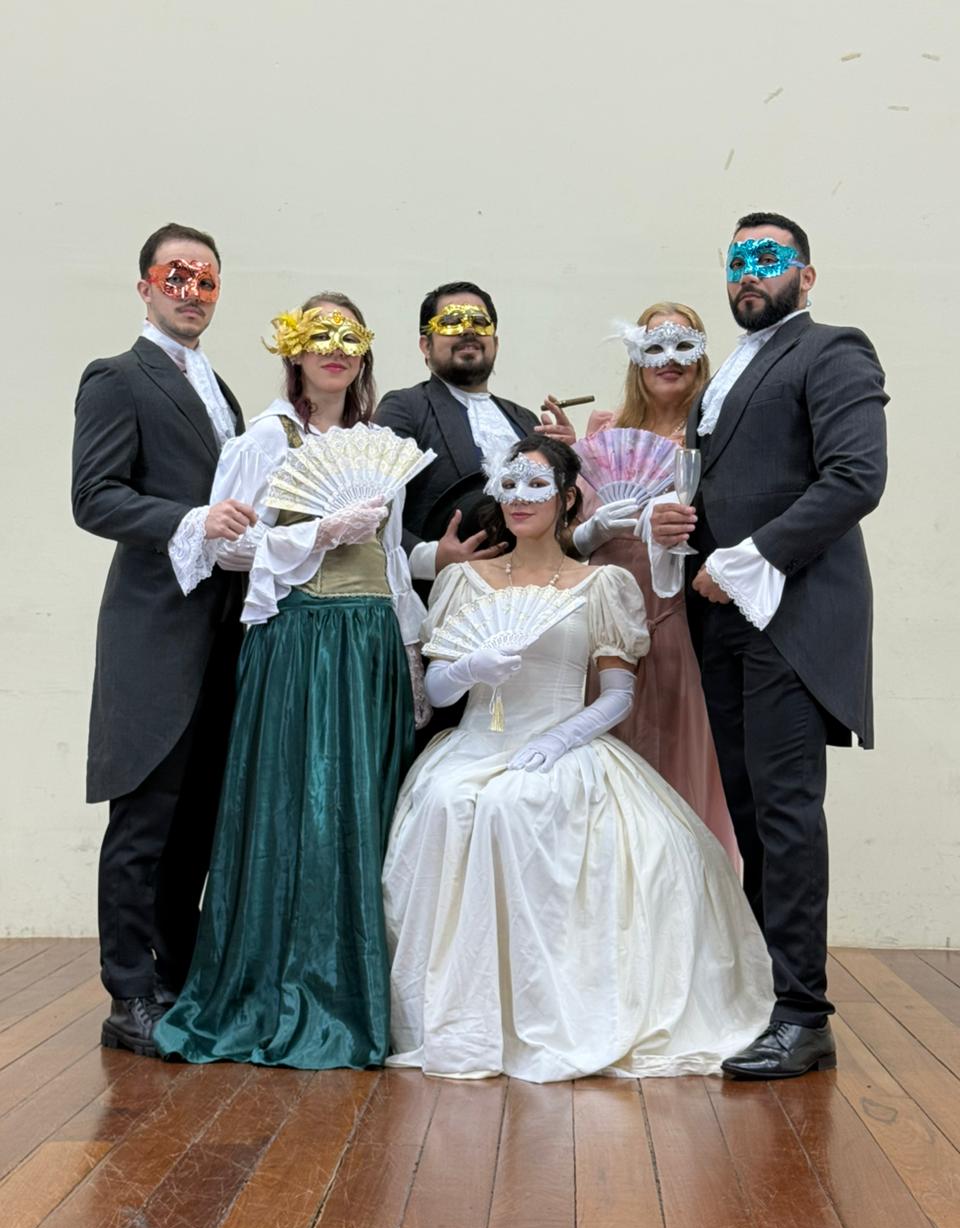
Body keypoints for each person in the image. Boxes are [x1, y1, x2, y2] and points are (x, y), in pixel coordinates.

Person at [382, 436, 773, 1082]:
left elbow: (618, 694)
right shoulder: (462, 580)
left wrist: (558, 741)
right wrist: (472, 667)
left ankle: (547, 1006)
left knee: (517, 805)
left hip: (561, 740)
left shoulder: (601, 585)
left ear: (567, 499)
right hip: (474, 742)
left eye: (536, 485)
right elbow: (441, 689)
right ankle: (460, 1015)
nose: (519, 499)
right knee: (448, 803)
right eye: (509, 484)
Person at [154, 293, 425, 1069]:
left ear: (364, 353)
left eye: (348, 336)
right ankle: (289, 986)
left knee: (365, 811)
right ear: (295, 351)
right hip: (301, 642)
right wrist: (317, 532)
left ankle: (367, 991)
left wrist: (411, 652)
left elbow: (392, 559)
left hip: (371, 643)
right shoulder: (265, 440)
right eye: (319, 335)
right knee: (300, 808)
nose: (334, 349)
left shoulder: (380, 447)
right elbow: (224, 549)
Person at [649, 212, 888, 1079]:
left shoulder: (832, 350)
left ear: (805, 276)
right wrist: (678, 525)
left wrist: (747, 558)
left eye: (768, 257)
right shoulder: (729, 373)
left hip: (790, 614)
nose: (749, 273)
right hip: (722, 619)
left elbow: (856, 477)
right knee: (750, 811)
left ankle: (803, 1016)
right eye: (736, 260)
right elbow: (725, 485)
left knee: (786, 815)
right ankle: (765, 996)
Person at [72, 222, 253, 1057]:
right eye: (176, 276)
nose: (191, 292)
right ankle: (128, 995)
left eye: (205, 280)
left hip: (223, 633)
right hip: (153, 632)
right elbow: (95, 497)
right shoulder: (117, 377)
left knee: (198, 823)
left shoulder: (224, 390)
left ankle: (176, 982)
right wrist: (193, 519)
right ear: (145, 286)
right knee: (143, 821)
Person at [567, 303, 737, 864]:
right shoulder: (605, 433)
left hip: (682, 618)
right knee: (606, 768)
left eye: (683, 346)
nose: (669, 360)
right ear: (636, 357)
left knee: (683, 763)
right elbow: (567, 540)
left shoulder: (716, 436)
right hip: (604, 623)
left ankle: (687, 897)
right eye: (654, 347)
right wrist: (590, 523)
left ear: (701, 357)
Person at [375, 281, 575, 585]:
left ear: (495, 342)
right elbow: (374, 508)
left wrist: (570, 459)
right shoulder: (405, 407)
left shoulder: (525, 419)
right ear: (425, 345)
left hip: (530, 589)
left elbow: (552, 512)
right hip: (440, 591)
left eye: (480, 322)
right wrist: (431, 558)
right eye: (451, 322)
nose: (468, 330)